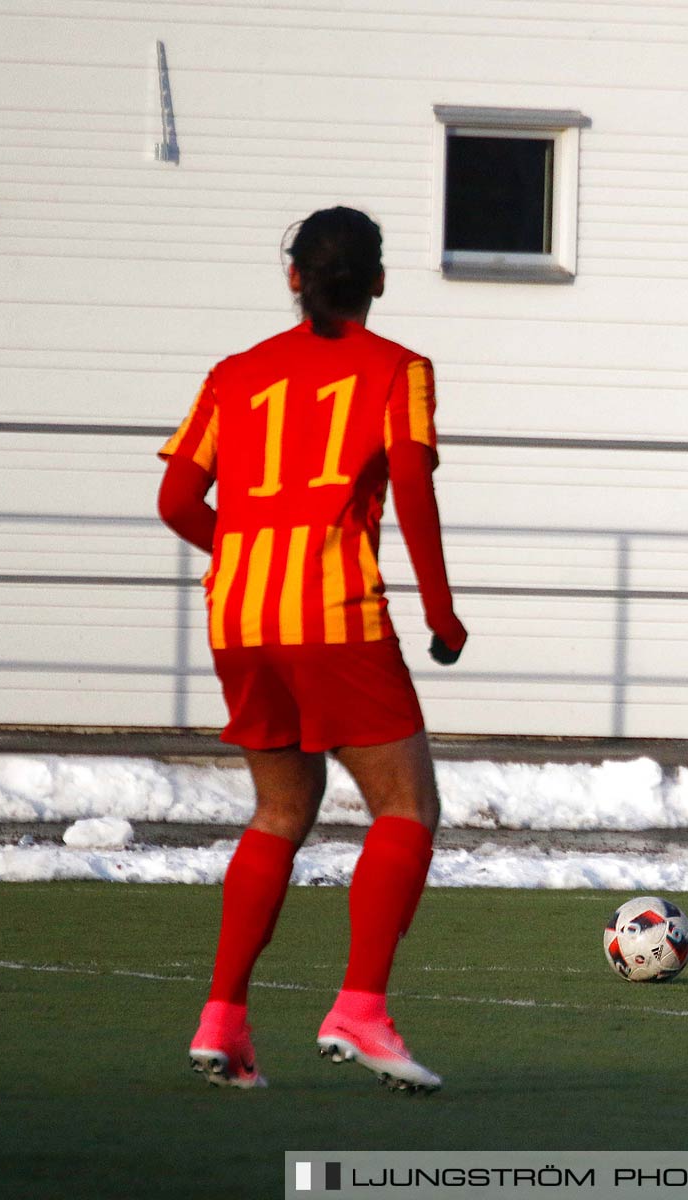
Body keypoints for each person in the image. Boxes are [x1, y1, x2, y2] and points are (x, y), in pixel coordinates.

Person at [157, 206, 467, 1091]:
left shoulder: (234, 374)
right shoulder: (399, 370)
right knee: (407, 807)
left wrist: (252, 552)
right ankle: (359, 1010)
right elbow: (410, 488)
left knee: (280, 813)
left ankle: (222, 1020)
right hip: (332, 618)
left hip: (240, 619)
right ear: (377, 280)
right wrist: (442, 613)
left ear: (293, 278)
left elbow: (178, 502)